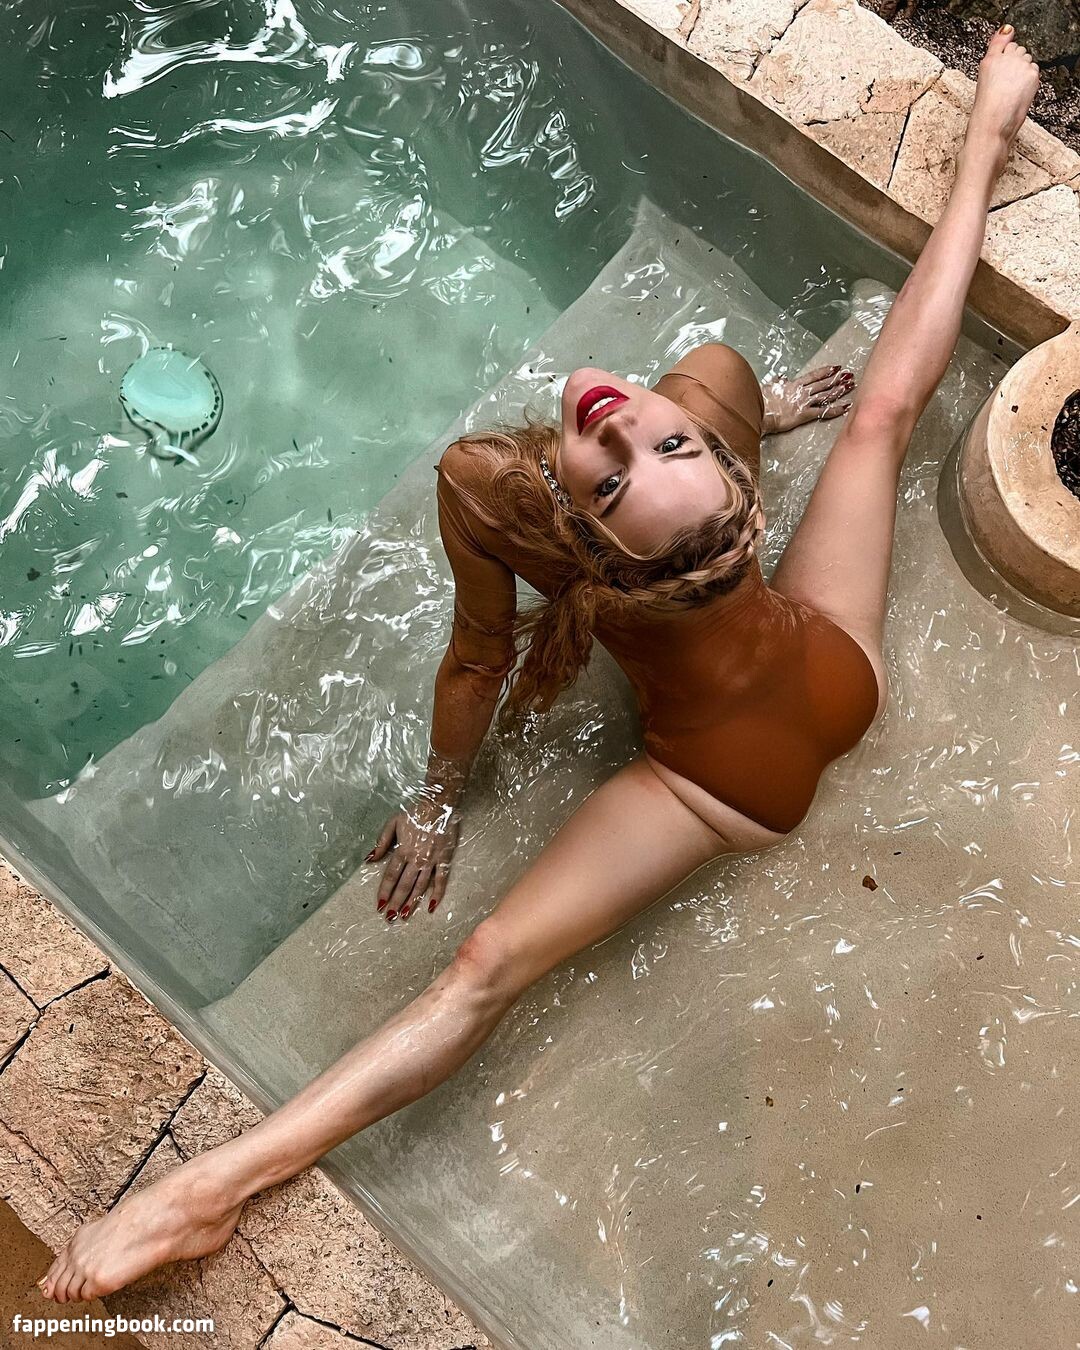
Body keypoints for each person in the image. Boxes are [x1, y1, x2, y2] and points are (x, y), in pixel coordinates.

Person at [40, 26, 1039, 1304]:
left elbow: (478, 656)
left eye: (629, 468)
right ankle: (773, 414)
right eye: (660, 448)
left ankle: (210, 1191)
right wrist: (985, 142)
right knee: (808, 400)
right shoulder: (699, 433)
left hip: (718, 790)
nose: (624, 425)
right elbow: (895, 392)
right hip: (839, 675)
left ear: (586, 553)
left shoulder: (511, 503)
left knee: (483, 971)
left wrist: (442, 795)